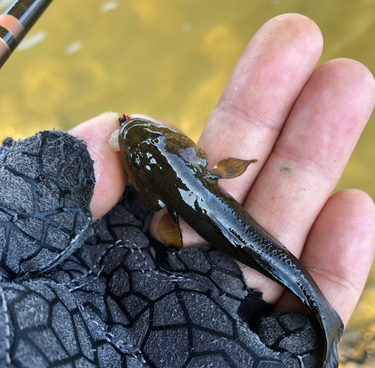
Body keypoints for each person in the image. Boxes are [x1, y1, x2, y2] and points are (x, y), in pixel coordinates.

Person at [70, 13, 375, 328]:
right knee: (285, 266)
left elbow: (166, 227)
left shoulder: (167, 208)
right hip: (250, 233)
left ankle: (324, 318)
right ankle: (324, 318)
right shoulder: (213, 172)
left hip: (245, 239)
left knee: (283, 264)